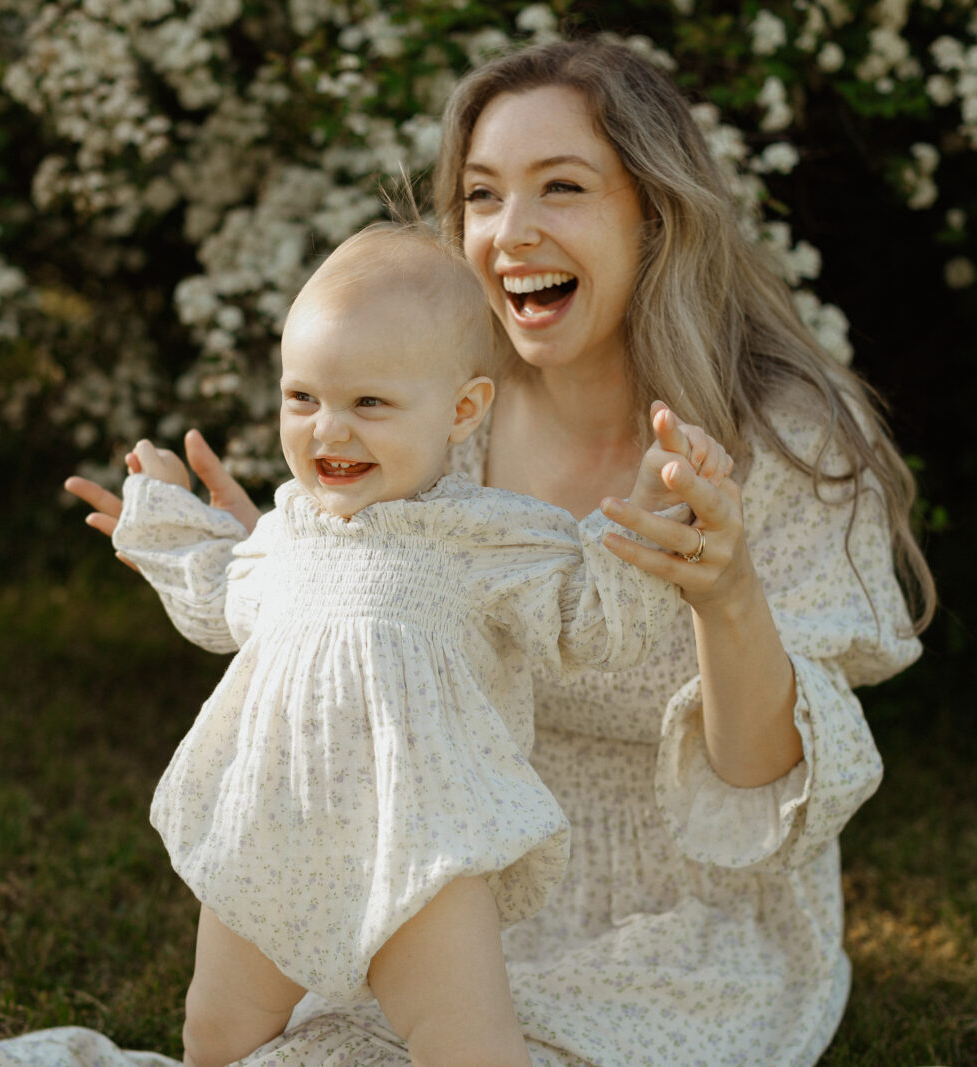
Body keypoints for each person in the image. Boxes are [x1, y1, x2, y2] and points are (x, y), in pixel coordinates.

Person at [0, 34, 933, 1067]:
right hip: (442, 871)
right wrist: (290, 576)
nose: (512, 232)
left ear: (654, 213)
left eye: (562, 187)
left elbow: (757, 775)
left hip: (682, 923)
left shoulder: (779, 443)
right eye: (480, 194)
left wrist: (725, 594)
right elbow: (375, 630)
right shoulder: (431, 416)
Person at [110, 222, 730, 1067]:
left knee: (471, 1048)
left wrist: (652, 500)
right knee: (215, 1034)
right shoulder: (289, 531)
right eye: (303, 398)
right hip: (276, 836)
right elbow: (221, 595)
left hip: (427, 856)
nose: (330, 431)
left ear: (462, 409)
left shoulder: (482, 536)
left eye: (370, 403)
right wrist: (165, 516)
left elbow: (588, 617)